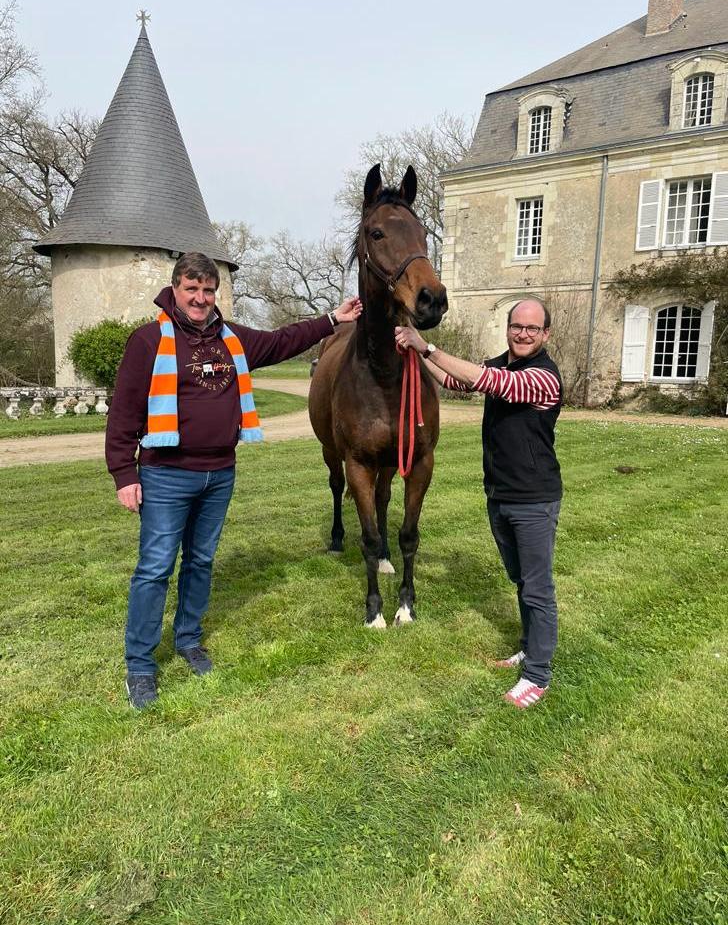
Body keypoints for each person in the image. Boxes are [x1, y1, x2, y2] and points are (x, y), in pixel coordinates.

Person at [106, 252, 362, 709]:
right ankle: (140, 665)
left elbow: (284, 340)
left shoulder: (232, 339)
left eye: (208, 290)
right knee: (155, 568)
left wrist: (331, 320)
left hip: (219, 473)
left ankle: (188, 639)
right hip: (166, 475)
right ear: (175, 291)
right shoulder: (148, 341)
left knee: (201, 562)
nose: (201, 298)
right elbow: (123, 412)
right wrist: (125, 473)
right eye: (192, 290)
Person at [395, 298, 562, 709]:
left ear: (545, 335)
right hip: (500, 494)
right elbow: (459, 381)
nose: (523, 333)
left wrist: (428, 346)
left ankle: (538, 675)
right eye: (517, 326)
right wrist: (417, 353)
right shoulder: (501, 364)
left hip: (534, 498)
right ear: (508, 328)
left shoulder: (543, 377)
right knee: (521, 580)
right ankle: (529, 647)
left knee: (538, 588)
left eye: (532, 328)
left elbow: (489, 382)